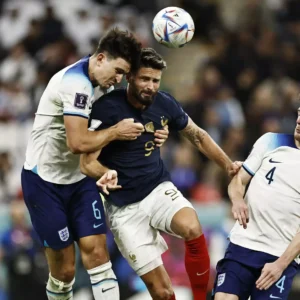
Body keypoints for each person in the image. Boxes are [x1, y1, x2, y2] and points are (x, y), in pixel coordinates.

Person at [80, 48, 241, 300]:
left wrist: (228, 165)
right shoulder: (106, 108)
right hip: (124, 209)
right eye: (145, 79)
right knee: (163, 293)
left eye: (155, 80)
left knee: (192, 227)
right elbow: (86, 162)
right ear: (130, 76)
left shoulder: (164, 103)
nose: (151, 86)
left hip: (157, 189)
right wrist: (106, 172)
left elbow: (198, 135)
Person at [21, 27, 152, 300]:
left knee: (97, 253)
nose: (117, 80)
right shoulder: (75, 83)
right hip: (44, 182)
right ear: (100, 58)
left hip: (79, 180)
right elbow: (77, 143)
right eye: (117, 71)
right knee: (65, 272)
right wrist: (116, 131)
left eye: (122, 75)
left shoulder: (102, 86)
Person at [212, 109, 300, 300]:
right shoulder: (270, 141)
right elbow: (238, 180)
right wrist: (237, 200)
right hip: (243, 243)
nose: (299, 121)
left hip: (279, 255)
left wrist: (280, 264)